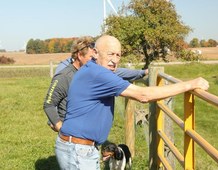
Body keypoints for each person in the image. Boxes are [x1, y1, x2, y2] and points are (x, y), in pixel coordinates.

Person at [56, 35, 209, 169]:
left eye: (118, 55)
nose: (114, 60)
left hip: (78, 147)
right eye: (110, 54)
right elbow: (143, 95)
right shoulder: (98, 74)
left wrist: (142, 73)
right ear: (95, 53)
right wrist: (189, 84)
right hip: (79, 150)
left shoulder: (90, 68)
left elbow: (122, 73)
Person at [43, 36, 148, 132]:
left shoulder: (94, 72)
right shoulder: (65, 76)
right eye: (91, 57)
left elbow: (119, 72)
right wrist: (59, 127)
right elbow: (49, 103)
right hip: (72, 133)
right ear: (80, 55)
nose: (95, 59)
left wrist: (142, 73)